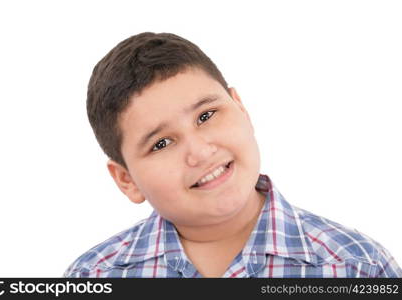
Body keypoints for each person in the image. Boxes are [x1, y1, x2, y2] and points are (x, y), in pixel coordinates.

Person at [64, 32, 401, 278]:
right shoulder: (93, 277)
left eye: (206, 116)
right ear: (126, 180)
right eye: (162, 144)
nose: (200, 151)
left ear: (241, 108)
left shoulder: (358, 267)